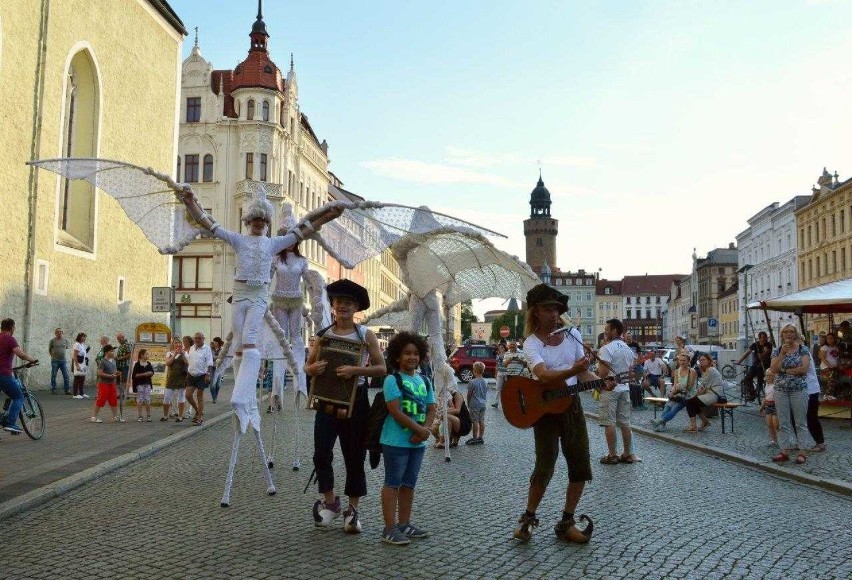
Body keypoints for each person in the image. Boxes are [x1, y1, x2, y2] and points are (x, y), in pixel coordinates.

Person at [513, 284, 595, 544]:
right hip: (545, 410)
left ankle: (567, 522)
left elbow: (584, 373)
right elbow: (543, 375)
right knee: (544, 466)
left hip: (571, 406)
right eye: (548, 309)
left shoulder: (572, 336)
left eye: (557, 309)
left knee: (580, 465)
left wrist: (600, 381)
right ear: (535, 313)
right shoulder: (531, 343)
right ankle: (528, 519)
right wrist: (574, 370)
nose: (554, 314)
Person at [305, 279, 386, 534]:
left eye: (349, 303)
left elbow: (381, 368)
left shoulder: (366, 335)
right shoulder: (324, 335)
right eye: (339, 302)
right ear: (333, 305)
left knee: (354, 456)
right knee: (321, 454)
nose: (343, 307)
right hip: (327, 401)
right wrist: (313, 368)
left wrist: (355, 369)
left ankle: (352, 511)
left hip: (356, 401)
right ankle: (330, 502)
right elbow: (307, 365)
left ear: (356, 308)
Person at [379, 331, 436, 545]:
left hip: (417, 442)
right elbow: (395, 411)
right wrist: (418, 430)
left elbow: (431, 408)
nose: (411, 357)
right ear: (397, 356)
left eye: (415, 353)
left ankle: (404, 524)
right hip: (395, 441)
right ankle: (389, 528)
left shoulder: (424, 380)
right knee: (392, 483)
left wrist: (425, 429)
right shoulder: (392, 380)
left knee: (409, 484)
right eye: (406, 353)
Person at [769, 324, 814, 464]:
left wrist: (785, 370)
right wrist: (782, 355)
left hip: (798, 389)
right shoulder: (777, 351)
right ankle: (784, 451)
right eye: (786, 332)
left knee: (800, 422)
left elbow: (804, 369)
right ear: (782, 335)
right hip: (781, 390)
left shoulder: (803, 349)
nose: (788, 334)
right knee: (783, 423)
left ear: (795, 334)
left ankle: (802, 452)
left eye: (791, 331)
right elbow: (773, 369)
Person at [596, 319, 638, 465]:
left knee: (609, 422)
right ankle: (626, 454)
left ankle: (612, 454)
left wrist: (596, 371)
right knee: (625, 423)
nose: (605, 332)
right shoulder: (627, 348)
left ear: (614, 331)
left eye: (607, 329)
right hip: (625, 388)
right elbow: (630, 369)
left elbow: (603, 372)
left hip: (610, 388)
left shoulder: (606, 349)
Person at [0, 319, 38, 435]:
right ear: (12, 328)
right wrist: (33, 360)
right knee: (18, 397)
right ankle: (10, 423)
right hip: (3, 374)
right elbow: (20, 354)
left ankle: (3, 419)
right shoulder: (10, 339)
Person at [651, 353, 696, 432]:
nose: (681, 362)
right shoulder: (677, 371)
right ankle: (662, 425)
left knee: (674, 408)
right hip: (678, 393)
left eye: (684, 360)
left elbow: (690, 386)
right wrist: (672, 392)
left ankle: (659, 421)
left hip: (688, 395)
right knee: (667, 406)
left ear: (688, 361)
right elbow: (675, 385)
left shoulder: (691, 371)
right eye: (680, 360)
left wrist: (678, 387)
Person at [683, 353, 724, 432]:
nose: (702, 361)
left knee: (689, 401)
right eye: (700, 360)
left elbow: (702, 386)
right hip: (711, 394)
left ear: (708, 360)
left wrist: (693, 395)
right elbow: (703, 388)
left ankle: (694, 426)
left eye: (704, 360)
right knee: (692, 402)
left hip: (714, 395)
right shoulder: (708, 370)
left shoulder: (710, 370)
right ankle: (705, 422)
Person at [185, 332, 213, 426]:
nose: (197, 340)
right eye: (196, 338)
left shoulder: (207, 348)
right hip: (191, 374)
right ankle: (197, 410)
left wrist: (208, 374)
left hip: (202, 375)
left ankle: (199, 418)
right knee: (188, 395)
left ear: (203, 339)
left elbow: (209, 362)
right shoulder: (192, 348)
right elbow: (190, 361)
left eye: (199, 338)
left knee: (199, 396)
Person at [736, 331, 772, 401]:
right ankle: (752, 394)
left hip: (765, 366)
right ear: (759, 338)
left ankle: (759, 388)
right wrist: (740, 361)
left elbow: (763, 356)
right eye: (761, 337)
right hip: (755, 365)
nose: (763, 339)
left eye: (764, 337)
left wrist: (765, 352)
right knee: (747, 378)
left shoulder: (769, 345)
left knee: (760, 378)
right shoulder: (755, 345)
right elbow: (747, 353)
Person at [91, 345, 123, 423]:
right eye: (111, 351)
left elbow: (113, 372)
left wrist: (117, 373)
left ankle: (115, 417)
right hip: (103, 383)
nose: (113, 352)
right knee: (101, 399)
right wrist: (110, 375)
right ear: (106, 352)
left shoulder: (114, 361)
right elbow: (99, 373)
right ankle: (94, 417)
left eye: (113, 351)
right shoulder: (102, 361)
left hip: (112, 383)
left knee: (113, 399)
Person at [162, 337, 189, 422]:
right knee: (166, 397)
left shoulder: (185, 353)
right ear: (173, 344)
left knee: (181, 398)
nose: (178, 344)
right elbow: (168, 363)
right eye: (176, 343)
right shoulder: (169, 353)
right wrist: (174, 354)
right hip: (172, 378)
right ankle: (165, 416)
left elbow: (188, 363)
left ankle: (180, 416)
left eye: (179, 343)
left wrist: (182, 354)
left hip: (182, 378)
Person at [465, 361, 488, 445]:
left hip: (474, 404)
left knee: (474, 421)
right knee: (481, 420)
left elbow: (469, 394)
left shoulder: (472, 382)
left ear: (474, 371)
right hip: (483, 403)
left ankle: (474, 438)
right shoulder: (485, 382)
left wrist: (468, 403)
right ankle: (480, 437)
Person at [132, 349, 154, 422]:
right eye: (146, 354)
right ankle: (140, 415)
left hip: (147, 383)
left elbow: (152, 372)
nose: (148, 355)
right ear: (141, 355)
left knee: (147, 399)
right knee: (140, 399)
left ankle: (149, 415)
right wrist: (144, 374)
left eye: (148, 354)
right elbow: (135, 375)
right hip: (139, 384)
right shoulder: (137, 364)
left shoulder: (149, 363)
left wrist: (150, 373)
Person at [759, 369, 779, 447]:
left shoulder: (776, 385)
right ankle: (773, 440)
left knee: (776, 424)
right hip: (768, 406)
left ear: (774, 376)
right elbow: (765, 397)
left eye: (771, 376)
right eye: (767, 376)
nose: (769, 377)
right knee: (769, 424)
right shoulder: (766, 386)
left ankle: (780, 439)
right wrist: (761, 407)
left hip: (775, 406)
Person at [48, 327, 70, 395]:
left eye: (61, 331)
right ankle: (53, 389)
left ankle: (67, 390)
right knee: (53, 375)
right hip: (55, 361)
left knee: (66, 376)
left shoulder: (65, 340)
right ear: (55, 333)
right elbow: (49, 349)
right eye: (58, 332)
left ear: (62, 333)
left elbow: (66, 347)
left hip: (63, 361)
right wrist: (53, 356)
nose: (59, 333)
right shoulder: (52, 341)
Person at [71, 332, 90, 399]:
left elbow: (84, 354)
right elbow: (74, 355)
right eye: (83, 337)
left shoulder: (82, 344)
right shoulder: (77, 344)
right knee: (77, 378)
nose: (84, 338)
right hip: (78, 362)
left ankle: (81, 393)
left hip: (82, 362)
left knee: (82, 377)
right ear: (79, 337)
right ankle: (75, 394)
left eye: (85, 337)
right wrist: (77, 365)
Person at [491, 343, 507, 409]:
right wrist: (495, 373)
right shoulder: (497, 356)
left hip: (506, 372)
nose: (501, 349)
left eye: (502, 347)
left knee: (506, 388)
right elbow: (497, 365)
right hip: (500, 373)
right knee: (498, 388)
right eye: (500, 348)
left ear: (504, 348)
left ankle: (506, 403)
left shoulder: (507, 354)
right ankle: (496, 402)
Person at [209, 337, 224, 403]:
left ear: (218, 342)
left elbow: (222, 357)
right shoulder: (210, 349)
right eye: (214, 342)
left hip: (219, 367)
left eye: (216, 342)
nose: (214, 343)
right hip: (212, 368)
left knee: (218, 384)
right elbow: (210, 357)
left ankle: (216, 394)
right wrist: (218, 357)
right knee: (212, 384)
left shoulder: (222, 349)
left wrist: (216, 358)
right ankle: (214, 397)